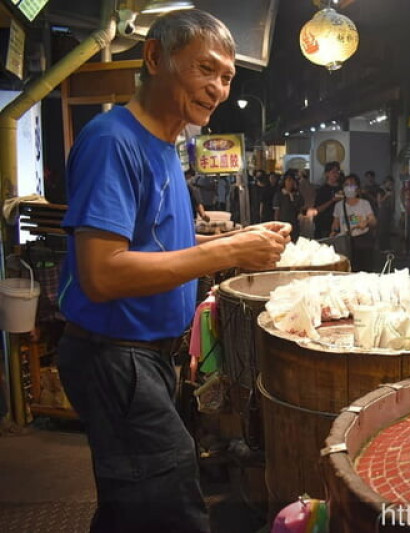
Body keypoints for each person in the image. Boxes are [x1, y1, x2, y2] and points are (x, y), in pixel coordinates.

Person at [55, 11, 291, 532]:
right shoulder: (112, 140)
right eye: (206, 69)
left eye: (228, 77)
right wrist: (226, 255)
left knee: (129, 504)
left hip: (144, 355)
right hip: (114, 356)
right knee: (171, 507)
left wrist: (230, 240)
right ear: (156, 58)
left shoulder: (164, 145)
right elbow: (102, 273)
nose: (218, 88)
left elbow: (157, 242)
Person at [332, 174, 377, 272]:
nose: (349, 188)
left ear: (357, 188)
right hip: (345, 243)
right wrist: (332, 235)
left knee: (363, 272)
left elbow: (373, 221)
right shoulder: (339, 206)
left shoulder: (364, 204)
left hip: (362, 243)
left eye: (351, 185)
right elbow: (335, 225)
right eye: (346, 185)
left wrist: (367, 222)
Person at [313, 161, 343, 239]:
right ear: (327, 174)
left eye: (338, 172)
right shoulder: (322, 190)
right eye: (333, 172)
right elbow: (317, 209)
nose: (336, 174)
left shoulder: (342, 188)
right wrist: (332, 200)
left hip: (341, 225)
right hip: (324, 225)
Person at [273, 172, 306, 241]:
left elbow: (301, 207)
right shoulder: (279, 195)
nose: (290, 183)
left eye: (292, 181)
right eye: (288, 180)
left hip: (295, 224)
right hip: (283, 223)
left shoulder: (297, 195)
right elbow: (277, 212)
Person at [377, 176, 395, 252]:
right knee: (382, 230)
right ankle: (382, 247)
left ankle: (387, 246)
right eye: (389, 184)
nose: (390, 185)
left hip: (388, 211)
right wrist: (386, 196)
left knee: (387, 230)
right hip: (382, 211)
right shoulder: (380, 190)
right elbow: (379, 202)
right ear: (386, 182)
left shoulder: (389, 190)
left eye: (392, 184)